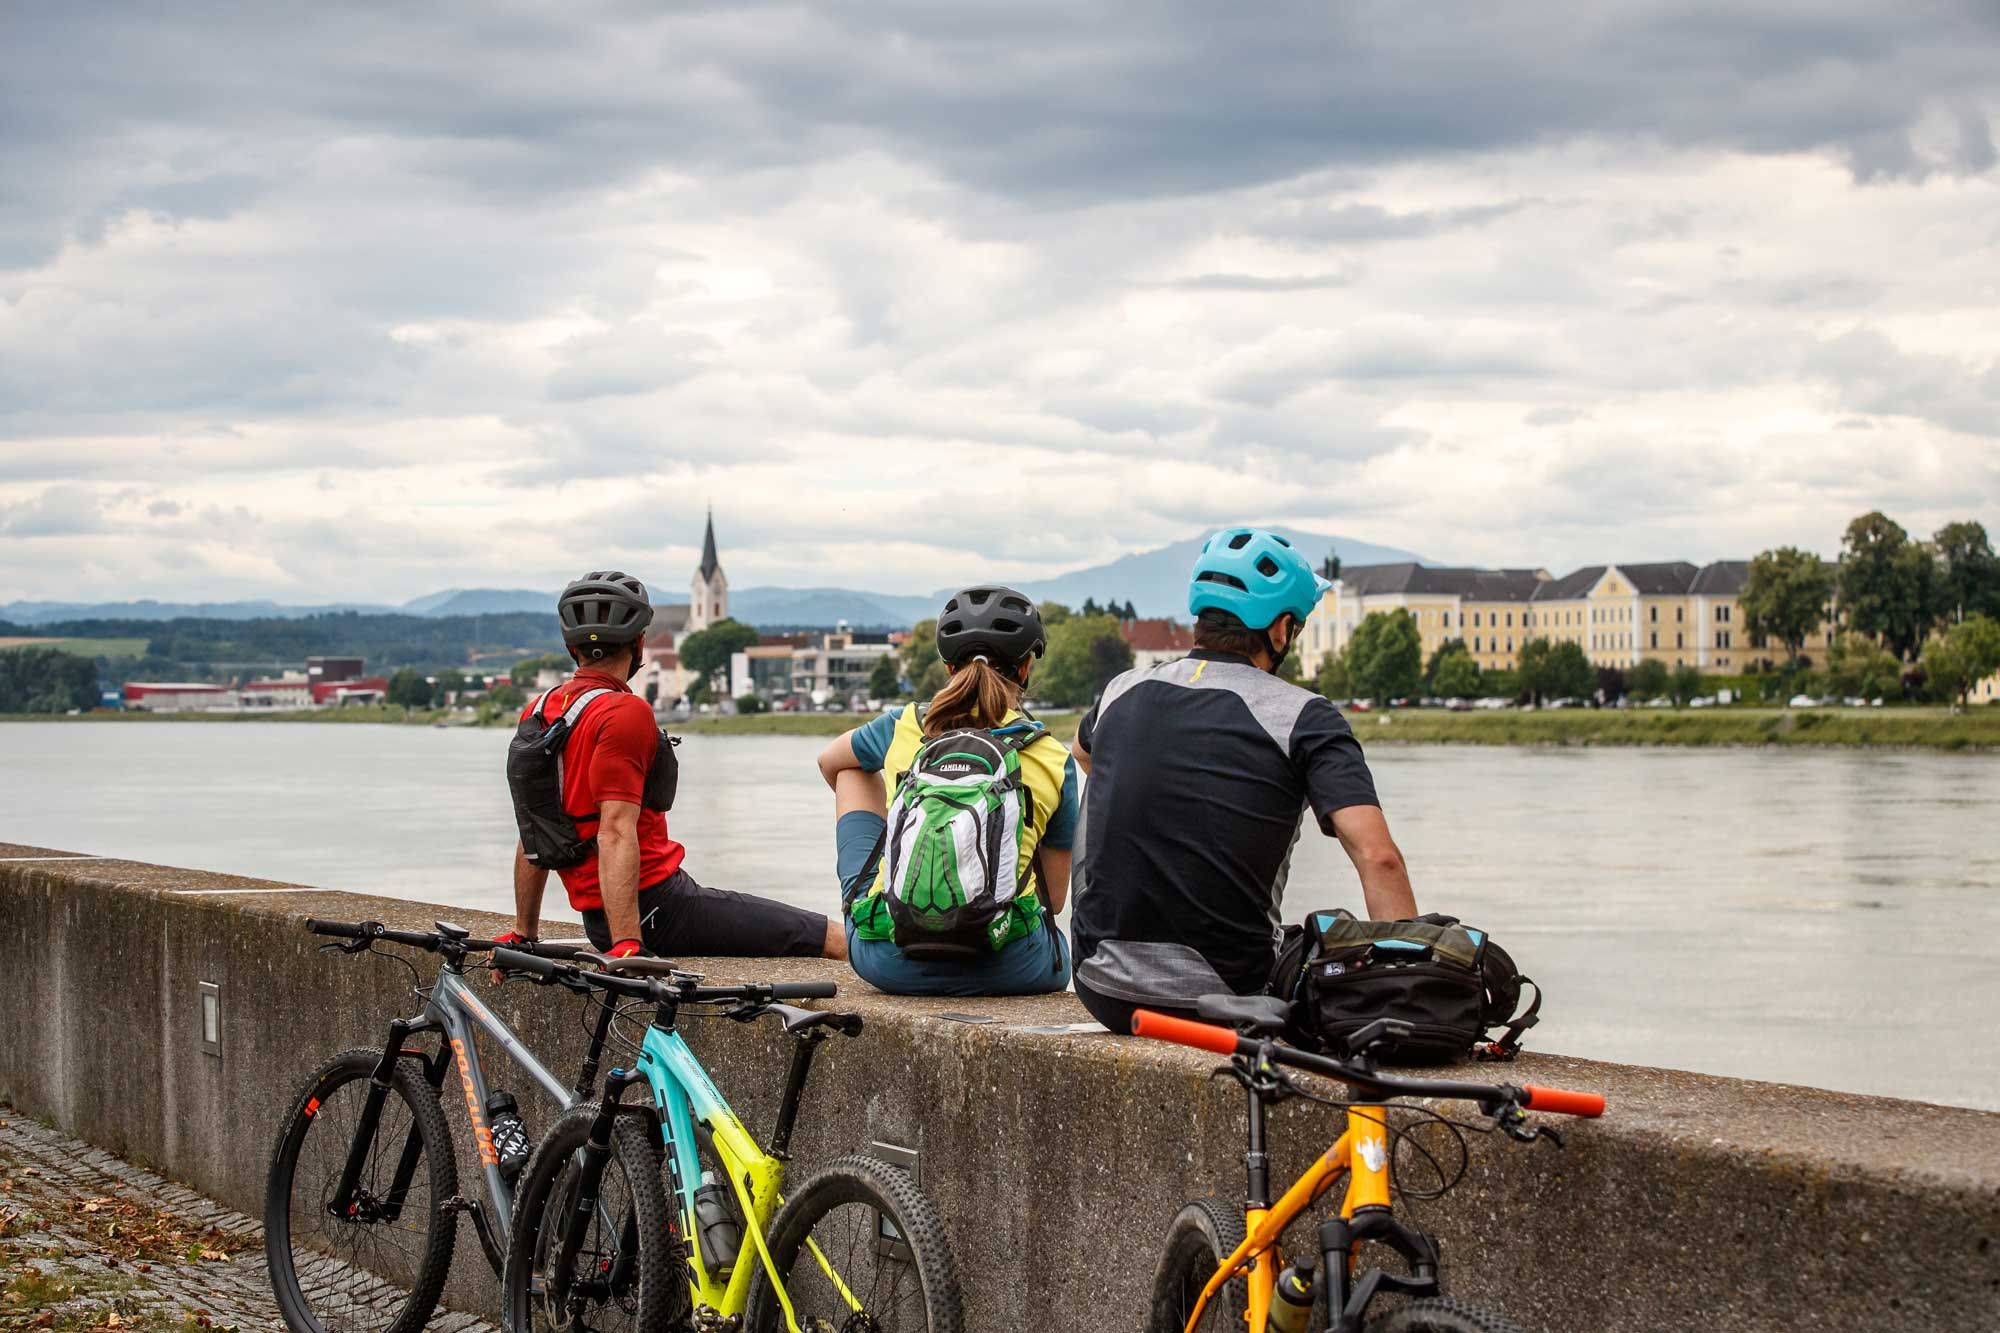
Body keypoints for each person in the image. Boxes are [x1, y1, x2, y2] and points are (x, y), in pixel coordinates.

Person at [1067, 529, 1418, 1034]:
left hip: (1102, 989)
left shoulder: (1121, 690)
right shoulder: (1305, 716)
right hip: (1229, 998)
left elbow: (1083, 755)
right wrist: (1413, 985)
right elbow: (1377, 856)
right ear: (1280, 631)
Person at [499, 571, 845, 963]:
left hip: (598, 919)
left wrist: (524, 932)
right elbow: (614, 830)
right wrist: (628, 942)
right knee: (827, 937)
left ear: (569, 646)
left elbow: (533, 830)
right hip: (659, 910)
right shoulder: (624, 711)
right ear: (639, 642)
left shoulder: (541, 710)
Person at [815, 586, 1077, 996]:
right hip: (1012, 967)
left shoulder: (905, 724)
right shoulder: (1052, 755)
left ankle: (878, 904)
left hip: (889, 963)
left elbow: (829, 761)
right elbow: (1054, 898)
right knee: (1055, 937)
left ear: (948, 668)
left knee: (852, 771)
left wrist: (901, 821)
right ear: (1026, 667)